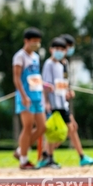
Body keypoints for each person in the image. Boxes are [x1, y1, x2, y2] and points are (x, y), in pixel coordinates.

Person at [60, 33, 93, 167]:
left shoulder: (65, 63)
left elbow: (64, 82)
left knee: (71, 127)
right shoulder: (55, 63)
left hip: (63, 102)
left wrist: (68, 90)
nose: (70, 49)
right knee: (61, 130)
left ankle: (81, 156)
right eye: (68, 47)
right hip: (56, 102)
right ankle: (46, 155)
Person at [12, 27, 47, 170]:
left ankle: (21, 150)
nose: (36, 44)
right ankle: (24, 160)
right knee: (27, 127)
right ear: (26, 41)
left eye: (38, 42)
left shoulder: (36, 57)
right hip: (25, 97)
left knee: (42, 127)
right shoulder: (19, 56)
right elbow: (17, 78)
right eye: (34, 42)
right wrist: (23, 95)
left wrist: (44, 87)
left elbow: (35, 77)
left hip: (37, 95)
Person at [37, 37, 71, 169]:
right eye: (57, 49)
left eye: (62, 49)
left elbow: (61, 84)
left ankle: (47, 154)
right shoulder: (48, 64)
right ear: (51, 50)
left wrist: (67, 92)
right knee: (53, 132)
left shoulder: (61, 65)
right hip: (52, 103)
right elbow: (45, 83)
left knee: (66, 130)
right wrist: (46, 102)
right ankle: (48, 157)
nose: (59, 52)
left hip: (62, 102)